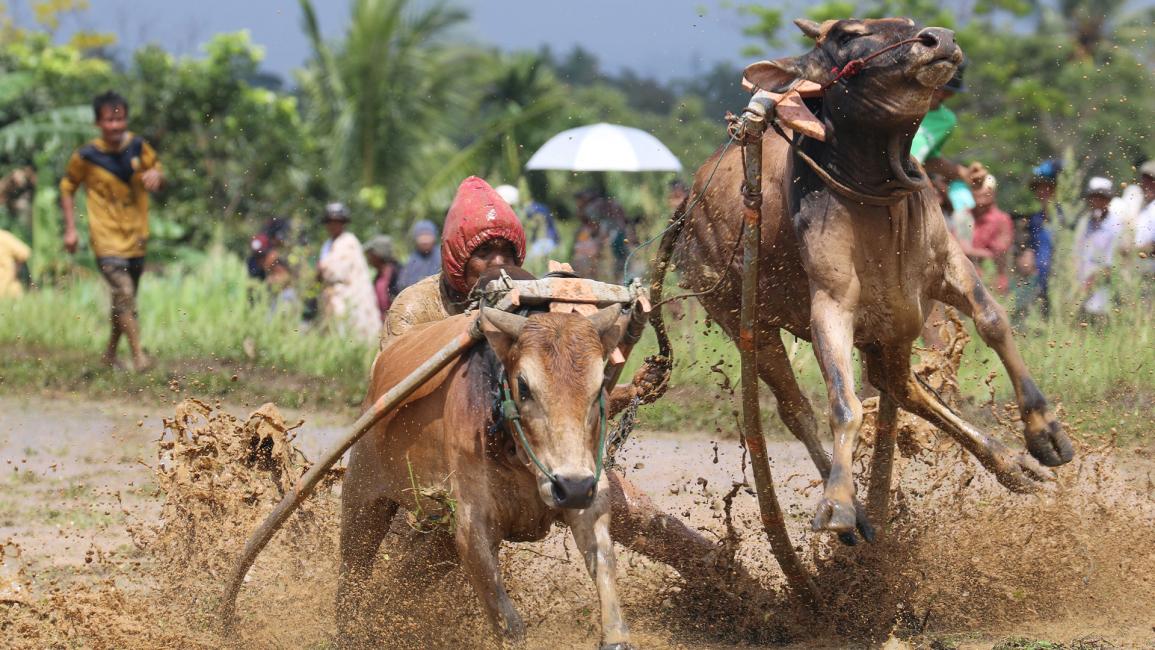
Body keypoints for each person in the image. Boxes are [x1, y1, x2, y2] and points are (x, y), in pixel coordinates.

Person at [381, 176, 736, 582]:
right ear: (455, 257)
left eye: (506, 250)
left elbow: (568, 391)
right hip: (455, 468)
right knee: (425, 566)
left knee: (638, 516)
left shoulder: (536, 297)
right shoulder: (416, 308)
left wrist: (626, 390)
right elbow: (399, 403)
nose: (497, 262)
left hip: (544, 456)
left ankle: (734, 585)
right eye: (483, 252)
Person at [60, 91, 162, 372]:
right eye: (109, 120)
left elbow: (158, 173)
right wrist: (71, 229)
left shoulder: (140, 147)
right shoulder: (86, 156)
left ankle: (108, 356)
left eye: (120, 119)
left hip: (136, 236)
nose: (116, 126)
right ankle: (139, 357)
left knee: (124, 301)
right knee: (125, 294)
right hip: (105, 239)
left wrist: (157, 176)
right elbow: (67, 188)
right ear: (98, 123)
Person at [316, 202, 379, 342]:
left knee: (352, 333)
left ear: (343, 223)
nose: (333, 225)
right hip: (331, 297)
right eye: (330, 222)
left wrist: (323, 268)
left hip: (348, 295)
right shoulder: (327, 245)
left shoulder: (348, 242)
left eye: (337, 222)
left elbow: (336, 271)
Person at [1075, 177, 1124, 324]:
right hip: (1081, 286)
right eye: (1093, 197)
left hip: (1104, 289)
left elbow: (1113, 264)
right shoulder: (1085, 222)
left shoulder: (1116, 226)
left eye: (1101, 197)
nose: (1096, 201)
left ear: (1108, 200)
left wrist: (1091, 282)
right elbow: (1076, 254)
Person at [1024, 160, 1063, 318]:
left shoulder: (1066, 218)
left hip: (1062, 282)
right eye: (1039, 188)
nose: (1042, 192)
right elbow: (1032, 248)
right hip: (1040, 283)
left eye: (1047, 187)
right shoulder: (1035, 219)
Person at [967, 173, 1014, 294]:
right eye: (976, 187)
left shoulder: (1002, 219)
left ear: (993, 193)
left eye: (984, 187)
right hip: (967, 284)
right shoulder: (964, 216)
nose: (980, 191)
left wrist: (966, 250)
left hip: (994, 285)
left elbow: (999, 253)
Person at [363, 234, 400, 321]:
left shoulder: (398, 275)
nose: (368, 258)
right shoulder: (378, 276)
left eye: (370, 254)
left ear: (377, 255)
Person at [396, 219, 441, 291]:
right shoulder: (411, 260)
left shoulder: (442, 256)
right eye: (421, 235)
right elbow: (402, 284)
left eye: (428, 235)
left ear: (434, 236)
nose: (425, 240)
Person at [1132, 160, 1155, 288]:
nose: (1146, 184)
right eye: (1144, 180)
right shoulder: (1145, 207)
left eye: (1151, 181)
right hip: (1140, 269)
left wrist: (1133, 251)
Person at [0, 228, 30, 299]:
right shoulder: (3, 236)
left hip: (9, 291)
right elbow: (25, 252)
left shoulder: (3, 237)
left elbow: (25, 252)